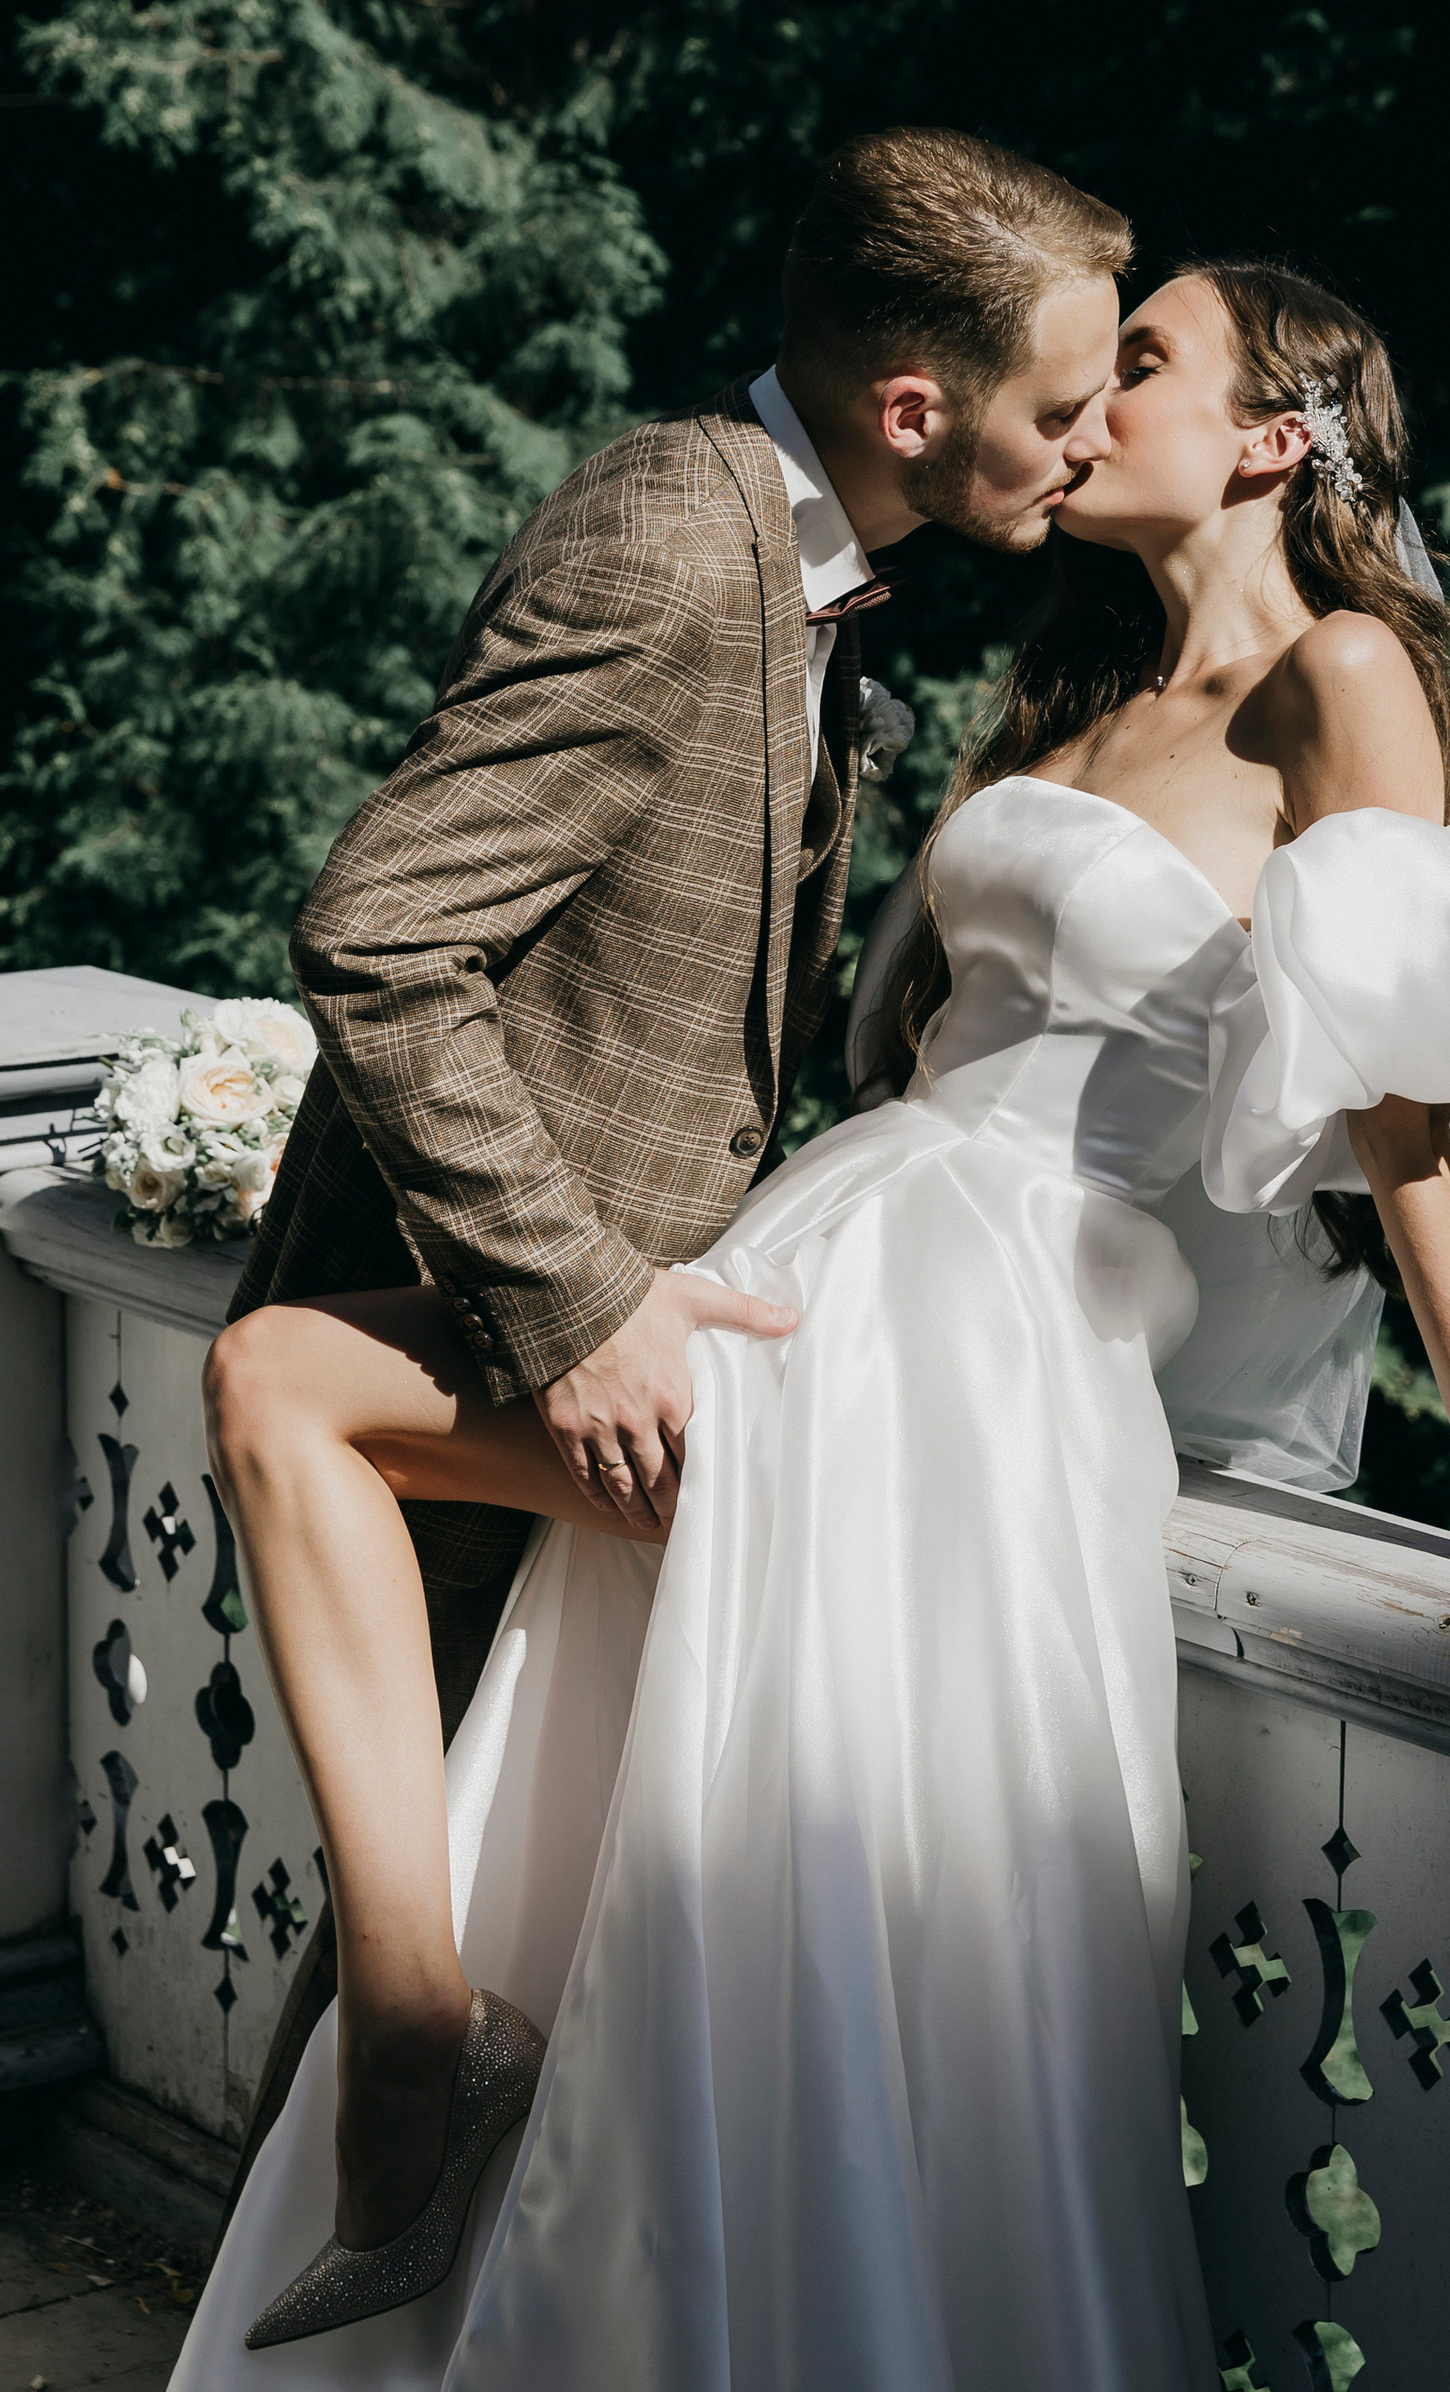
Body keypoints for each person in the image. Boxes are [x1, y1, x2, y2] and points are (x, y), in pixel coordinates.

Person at [181, 251, 1450, 2392]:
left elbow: (1398, 1112)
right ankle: (423, 2027)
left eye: (1137, 368)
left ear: (1269, 437)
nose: (1085, 414)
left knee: (318, 1409)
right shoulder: (1065, 706)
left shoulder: (1338, 676)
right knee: (328, 1428)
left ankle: (427, 2061)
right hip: (817, 1267)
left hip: (975, 1345)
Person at [199, 127, 1129, 2315]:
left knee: (492, 1974)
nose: (1081, 449)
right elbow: (379, 933)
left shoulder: (817, 585)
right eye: (1058, 407)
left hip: (652, 1357)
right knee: (389, 2003)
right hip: (489, 1343)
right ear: (918, 408)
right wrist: (578, 1303)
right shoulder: (672, 533)